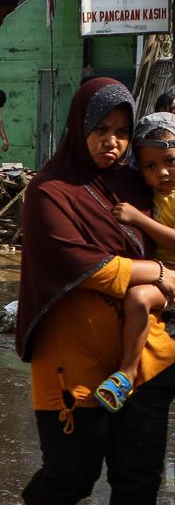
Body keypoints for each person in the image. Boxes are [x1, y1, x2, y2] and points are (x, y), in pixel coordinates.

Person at [0, 78, 175, 505]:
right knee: (71, 473)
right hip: (70, 359)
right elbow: (85, 266)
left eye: (122, 133)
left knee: (139, 475)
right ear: (79, 127)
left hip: (145, 356)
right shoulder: (52, 194)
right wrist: (165, 274)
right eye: (101, 130)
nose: (113, 143)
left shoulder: (139, 187)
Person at [97, 112, 175, 411]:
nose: (164, 173)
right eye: (151, 167)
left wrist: (139, 219)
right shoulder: (146, 193)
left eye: (170, 161)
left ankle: (127, 373)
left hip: (171, 273)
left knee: (138, 297)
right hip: (161, 272)